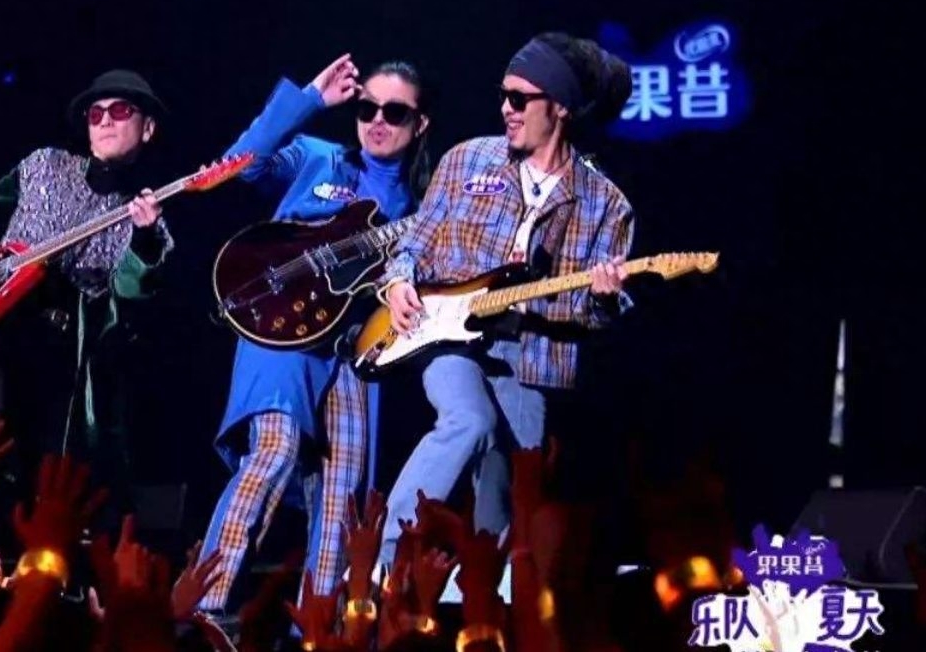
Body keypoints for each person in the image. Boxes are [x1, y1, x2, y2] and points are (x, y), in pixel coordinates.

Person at [376, 33, 635, 563]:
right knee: (469, 420)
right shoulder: (466, 160)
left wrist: (604, 298)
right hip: (448, 336)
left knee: (509, 485)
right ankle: (384, 562)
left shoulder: (605, 204)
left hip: (530, 357)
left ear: (559, 107)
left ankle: (488, 597)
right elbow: (413, 244)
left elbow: (592, 316)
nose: (506, 110)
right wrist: (398, 282)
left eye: (519, 98)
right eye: (503, 96)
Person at [197, 55, 432, 617]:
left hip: (353, 348)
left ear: (420, 123)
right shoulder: (317, 157)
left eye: (395, 112)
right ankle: (203, 611)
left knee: (343, 491)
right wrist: (309, 100)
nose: (378, 121)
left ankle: (320, 628)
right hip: (280, 329)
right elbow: (238, 164)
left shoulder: (424, 204)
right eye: (367, 109)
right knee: (274, 452)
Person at [0, 69, 173, 541]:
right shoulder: (44, 164)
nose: (105, 121)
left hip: (62, 360)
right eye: (95, 114)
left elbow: (130, 296)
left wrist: (144, 239)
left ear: (147, 128)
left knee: (39, 480)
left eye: (120, 110)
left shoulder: (150, 222)